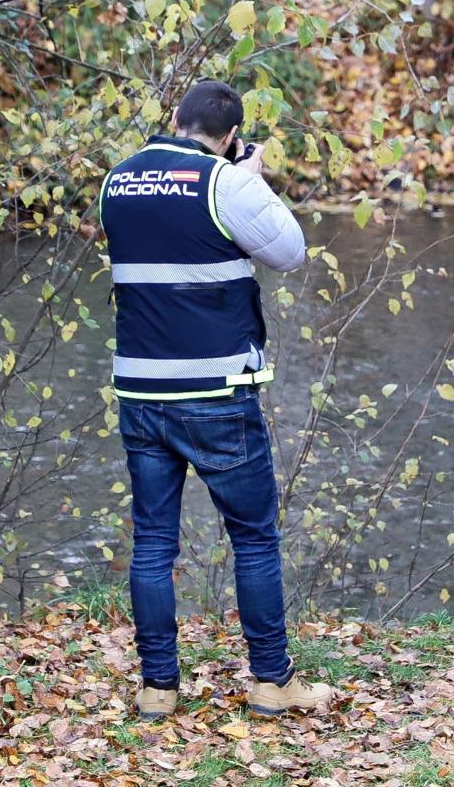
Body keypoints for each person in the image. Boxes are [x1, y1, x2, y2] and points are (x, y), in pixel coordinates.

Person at [91, 79, 333, 720]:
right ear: (230, 137)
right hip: (217, 393)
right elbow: (289, 251)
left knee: (151, 545)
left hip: (140, 391)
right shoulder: (225, 183)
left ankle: (157, 688)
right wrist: (251, 178)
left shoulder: (116, 181)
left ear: (174, 118)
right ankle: (272, 682)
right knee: (253, 540)